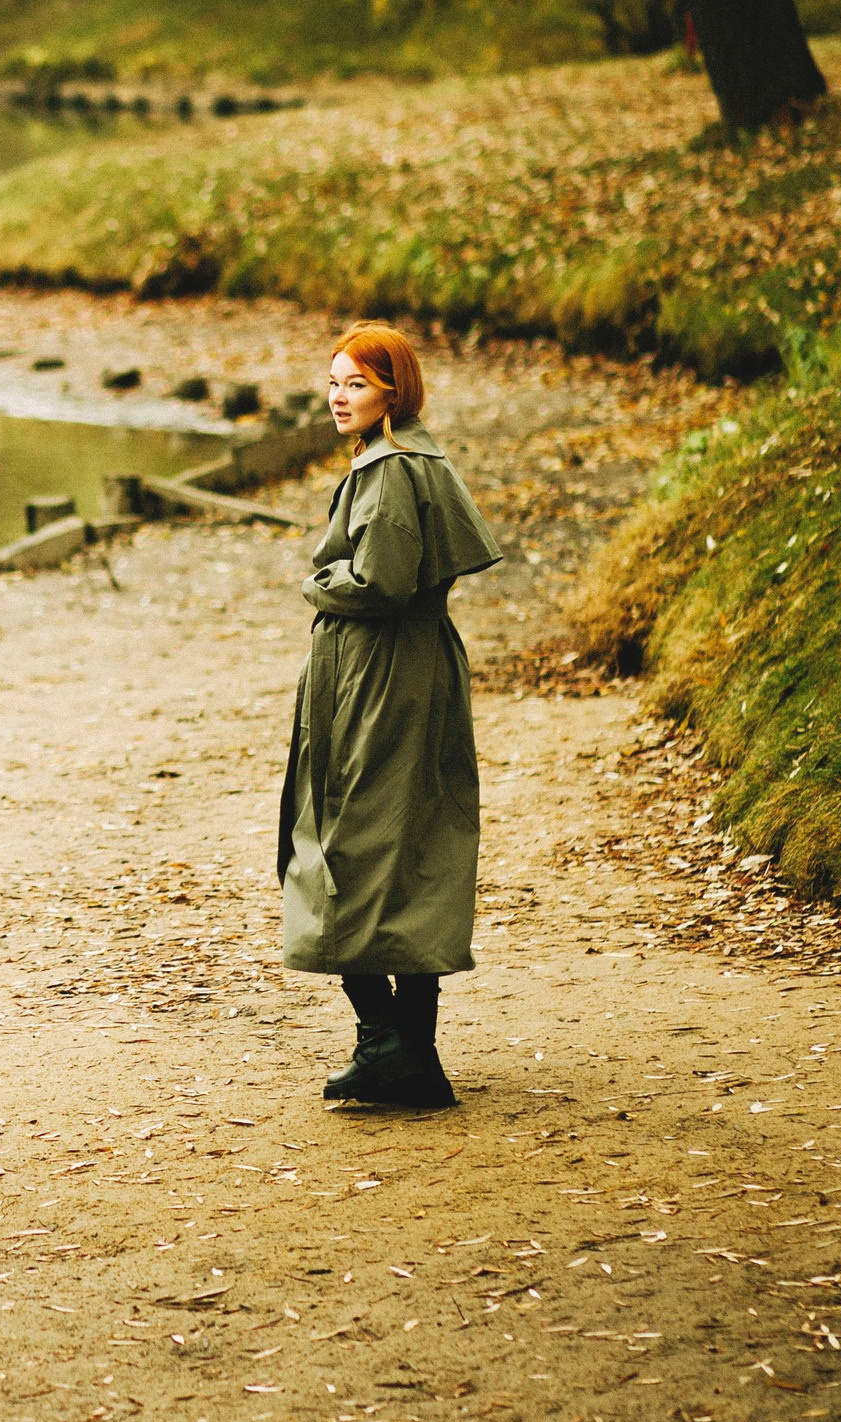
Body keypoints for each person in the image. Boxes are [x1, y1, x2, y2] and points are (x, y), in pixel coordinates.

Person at [278, 321, 501, 1107]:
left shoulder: (392, 471)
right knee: (407, 845)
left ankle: (390, 1045)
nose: (339, 398)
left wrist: (319, 583)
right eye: (334, 382)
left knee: (348, 845)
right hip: (406, 671)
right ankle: (410, 1056)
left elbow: (381, 584)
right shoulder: (410, 460)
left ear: (393, 393)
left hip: (381, 675)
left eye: (357, 385)